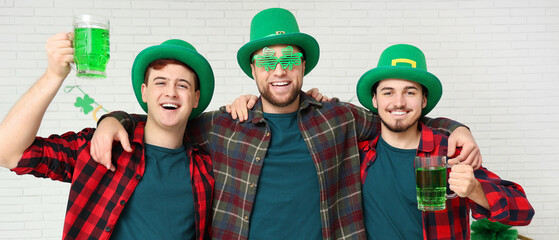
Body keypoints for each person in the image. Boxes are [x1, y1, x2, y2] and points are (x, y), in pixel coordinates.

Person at [92, 8, 481, 240]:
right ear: (252, 70)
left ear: (303, 65)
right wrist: (115, 118)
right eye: (267, 61)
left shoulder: (338, 118)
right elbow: (165, 121)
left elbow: (399, 117)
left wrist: (454, 129)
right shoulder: (225, 124)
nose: (279, 70)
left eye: (289, 60)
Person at [0, 34, 215, 240]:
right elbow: (8, 152)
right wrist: (53, 75)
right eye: (160, 82)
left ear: (195, 98)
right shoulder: (103, 147)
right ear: (144, 92)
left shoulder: (207, 170)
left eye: (182, 85)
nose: (171, 92)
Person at [355, 44, 534, 239]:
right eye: (388, 92)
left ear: (424, 100)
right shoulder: (358, 154)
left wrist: (475, 189)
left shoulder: (449, 151)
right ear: (375, 100)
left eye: (410, 92)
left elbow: (524, 210)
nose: (399, 102)